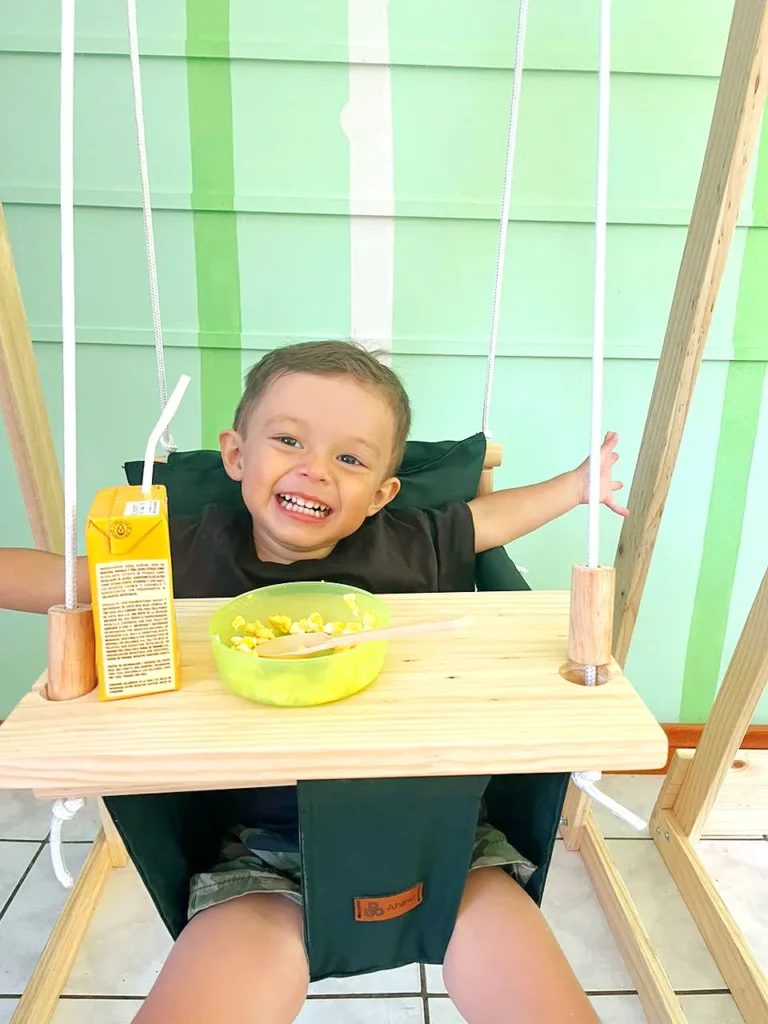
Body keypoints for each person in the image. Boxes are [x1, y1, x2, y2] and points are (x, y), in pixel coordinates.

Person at [0, 340, 629, 1023]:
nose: (315, 470)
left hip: (441, 838)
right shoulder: (183, 551)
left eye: (349, 458)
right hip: (262, 855)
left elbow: (488, 522)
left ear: (382, 493)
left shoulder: (408, 541)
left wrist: (576, 487)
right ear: (237, 456)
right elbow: (64, 578)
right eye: (289, 441)